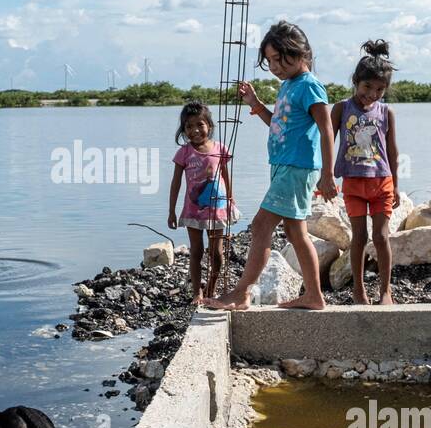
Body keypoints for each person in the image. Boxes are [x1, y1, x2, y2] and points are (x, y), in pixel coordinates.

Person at [207, 21, 337, 311]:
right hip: (282, 167)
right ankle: (314, 296)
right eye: (270, 61)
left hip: (297, 168)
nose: (275, 66)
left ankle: (241, 293)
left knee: (260, 225)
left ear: (301, 53)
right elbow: (278, 126)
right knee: (295, 233)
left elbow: (326, 129)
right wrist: (255, 103)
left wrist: (327, 174)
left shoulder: (309, 86)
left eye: (280, 59)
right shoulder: (288, 87)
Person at [331, 40, 400, 304]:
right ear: (356, 82)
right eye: (367, 87)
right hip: (352, 184)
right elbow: (326, 141)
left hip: (381, 182)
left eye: (380, 89)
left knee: (381, 237)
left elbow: (392, 152)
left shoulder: (386, 112)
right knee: (358, 237)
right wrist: (325, 175)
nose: (372, 93)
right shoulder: (342, 108)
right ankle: (358, 290)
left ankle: (385, 291)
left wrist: (396, 185)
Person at [167, 102, 238, 302]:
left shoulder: (220, 149)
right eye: (188, 127)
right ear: (183, 130)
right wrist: (171, 211)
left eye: (199, 124)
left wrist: (231, 199)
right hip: (193, 210)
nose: (195, 130)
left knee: (217, 252)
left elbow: (226, 176)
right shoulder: (184, 153)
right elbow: (175, 183)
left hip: (218, 209)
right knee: (196, 251)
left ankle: (212, 287)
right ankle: (197, 292)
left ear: (209, 125)